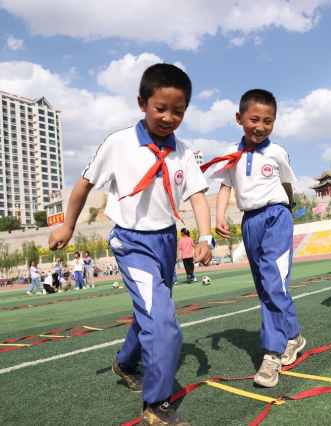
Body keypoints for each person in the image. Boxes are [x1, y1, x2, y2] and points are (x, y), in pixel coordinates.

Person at [48, 63, 212, 426]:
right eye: (160, 108)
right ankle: (156, 405)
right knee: (163, 321)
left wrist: (204, 236)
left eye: (178, 111)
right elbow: (84, 183)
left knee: (151, 311)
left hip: (166, 241)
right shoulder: (119, 143)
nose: (169, 117)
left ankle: (124, 363)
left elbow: (198, 196)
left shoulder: (183, 152)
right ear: (142, 102)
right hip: (132, 242)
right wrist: (68, 226)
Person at [206, 89, 304, 389]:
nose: (260, 126)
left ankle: (273, 354)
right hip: (250, 222)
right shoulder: (231, 155)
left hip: (276, 216)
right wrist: (219, 217)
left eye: (268, 121)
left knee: (275, 282)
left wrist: (288, 208)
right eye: (253, 119)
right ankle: (294, 336)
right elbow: (224, 187)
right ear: (239, 118)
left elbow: (286, 184)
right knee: (266, 286)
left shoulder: (277, 152)